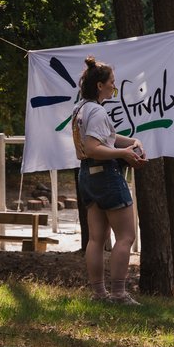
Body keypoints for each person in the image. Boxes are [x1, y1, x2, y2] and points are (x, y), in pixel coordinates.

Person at [72, 56, 145, 305]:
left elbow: (104, 139)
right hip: (106, 176)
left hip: (87, 175)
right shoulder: (97, 111)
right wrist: (124, 153)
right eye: (112, 82)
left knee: (96, 238)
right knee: (126, 237)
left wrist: (131, 141)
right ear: (100, 85)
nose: (114, 85)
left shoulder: (81, 108)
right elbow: (95, 148)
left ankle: (99, 294)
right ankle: (119, 294)